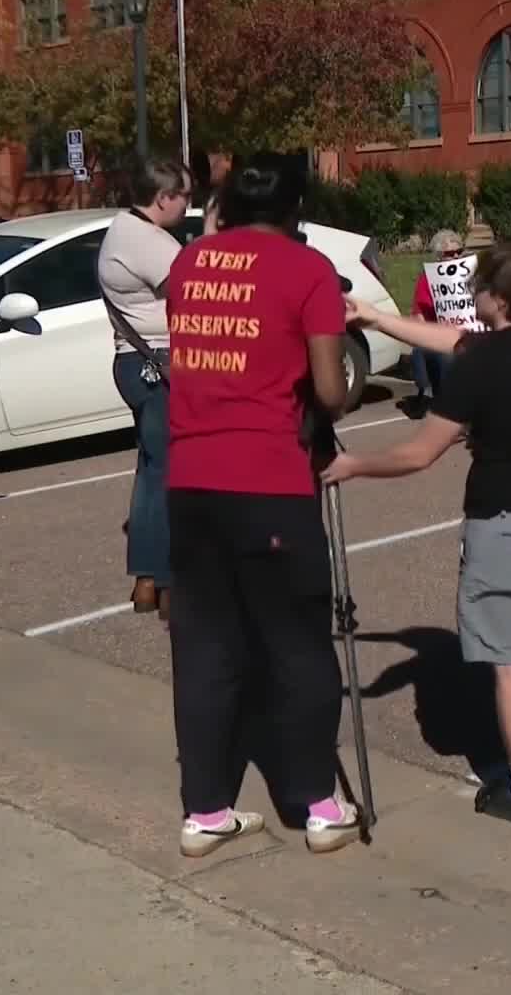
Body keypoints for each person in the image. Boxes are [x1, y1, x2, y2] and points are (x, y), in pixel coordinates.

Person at [327, 244, 511, 825]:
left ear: (499, 300)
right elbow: (455, 340)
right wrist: (374, 318)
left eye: (480, 286)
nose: (472, 295)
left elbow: (420, 453)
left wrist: (354, 465)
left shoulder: (482, 365)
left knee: (509, 661)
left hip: (508, 528)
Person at [163, 151, 360, 858]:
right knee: (297, 644)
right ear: (296, 208)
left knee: (207, 648)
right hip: (268, 477)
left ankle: (206, 808)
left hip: (190, 478)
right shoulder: (306, 270)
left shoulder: (190, 265)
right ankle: (316, 802)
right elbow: (331, 390)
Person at [99, 158, 192, 622]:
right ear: (163, 198)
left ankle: (146, 580)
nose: (188, 204)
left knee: (151, 467)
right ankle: (168, 580)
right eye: (185, 196)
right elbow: (193, 292)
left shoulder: (121, 230)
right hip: (158, 363)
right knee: (166, 473)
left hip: (136, 362)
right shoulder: (147, 241)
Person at [404, 229, 471, 417]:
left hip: (471, 334)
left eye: (459, 252)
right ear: (439, 256)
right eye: (450, 254)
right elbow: (419, 319)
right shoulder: (427, 280)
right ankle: (438, 399)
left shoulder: (472, 276)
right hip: (441, 337)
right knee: (435, 352)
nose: (456, 256)